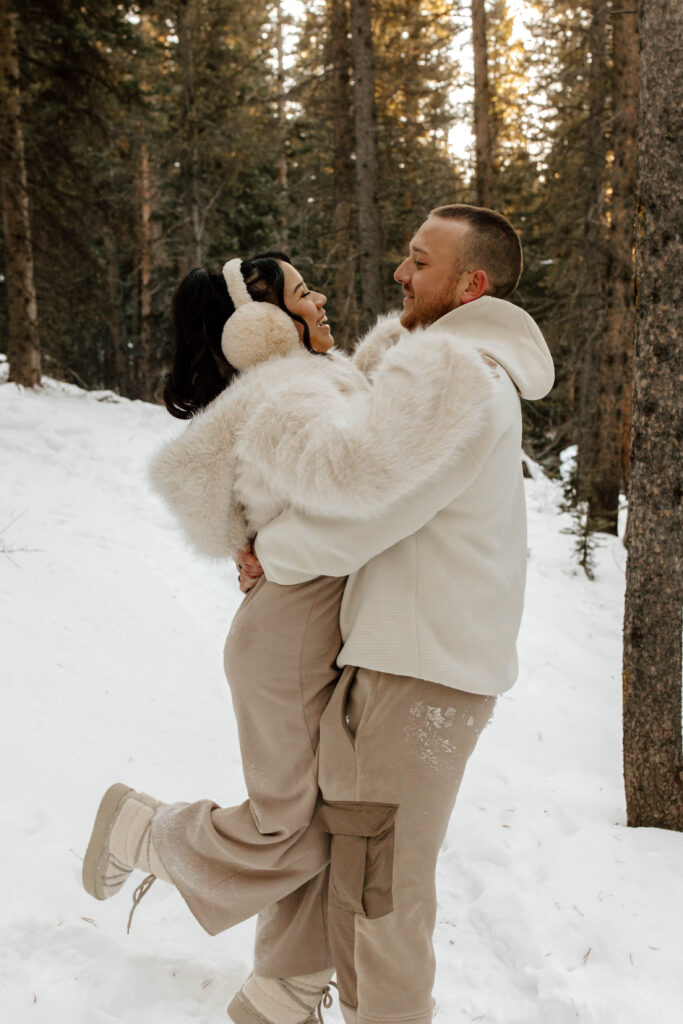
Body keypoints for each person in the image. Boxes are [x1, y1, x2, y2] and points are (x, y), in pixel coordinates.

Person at [82, 242, 502, 1024]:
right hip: (283, 639)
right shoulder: (286, 393)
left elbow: (354, 421)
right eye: (303, 295)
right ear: (261, 326)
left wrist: (400, 352)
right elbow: (352, 470)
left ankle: (282, 989)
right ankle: (141, 832)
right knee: (290, 828)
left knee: (323, 826)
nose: (322, 303)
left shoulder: (310, 379)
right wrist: (437, 367)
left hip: (302, 631)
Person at [237, 204, 555, 1024]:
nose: (399, 275)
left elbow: (368, 510)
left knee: (380, 898)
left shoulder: (458, 373)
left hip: (412, 680)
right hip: (412, 670)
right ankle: (282, 993)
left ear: (469, 284)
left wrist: (270, 555)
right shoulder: (468, 370)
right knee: (362, 880)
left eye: (419, 262)